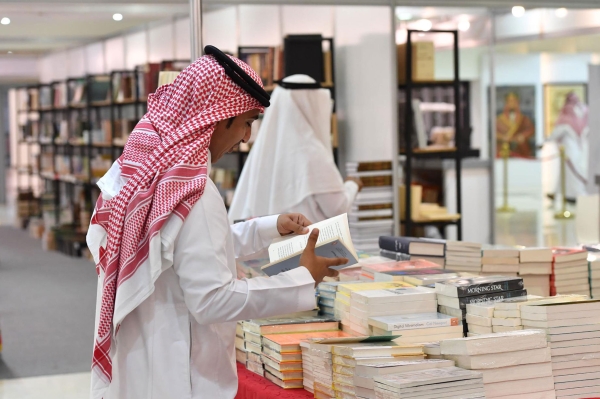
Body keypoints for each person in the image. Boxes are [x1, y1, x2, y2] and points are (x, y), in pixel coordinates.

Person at [86, 46, 346, 399]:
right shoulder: (193, 190)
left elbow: (177, 245)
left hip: (144, 362)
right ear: (222, 118)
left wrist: (269, 227)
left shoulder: (145, 172)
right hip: (181, 377)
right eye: (247, 122)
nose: (245, 138)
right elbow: (213, 300)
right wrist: (302, 278)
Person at [228, 74, 362, 224]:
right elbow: (337, 207)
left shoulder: (265, 149)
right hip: (309, 244)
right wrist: (353, 185)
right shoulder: (312, 152)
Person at [547, 91, 589, 200]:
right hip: (577, 150)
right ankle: (560, 193)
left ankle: (573, 195)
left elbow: (555, 133)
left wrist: (545, 141)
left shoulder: (567, 117)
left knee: (572, 173)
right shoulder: (582, 112)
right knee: (568, 173)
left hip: (572, 151)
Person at [496, 92, 535, 158]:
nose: (512, 103)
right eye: (510, 101)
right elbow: (494, 133)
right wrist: (503, 137)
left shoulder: (524, 119)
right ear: (506, 103)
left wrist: (523, 136)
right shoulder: (499, 120)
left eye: (514, 101)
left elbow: (531, 129)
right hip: (504, 150)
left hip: (521, 151)